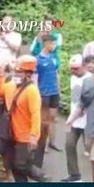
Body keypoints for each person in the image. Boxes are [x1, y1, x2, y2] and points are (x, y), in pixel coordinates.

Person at [0, 54, 50, 182]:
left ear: (28, 74)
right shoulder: (11, 86)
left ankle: (45, 179)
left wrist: (34, 136)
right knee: (14, 166)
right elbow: (0, 92)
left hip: (25, 136)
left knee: (21, 165)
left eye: (19, 72)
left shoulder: (32, 91)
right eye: (15, 71)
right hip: (12, 134)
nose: (16, 74)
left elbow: (36, 114)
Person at [66, 56, 94, 182]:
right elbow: (82, 103)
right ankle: (74, 176)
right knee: (70, 146)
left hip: (90, 124)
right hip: (87, 123)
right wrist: (70, 119)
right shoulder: (89, 82)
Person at [33, 34, 62, 163]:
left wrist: (58, 88)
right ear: (46, 43)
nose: (54, 46)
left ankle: (52, 142)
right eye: (52, 43)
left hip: (54, 92)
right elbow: (35, 78)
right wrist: (36, 92)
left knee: (52, 119)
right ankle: (41, 143)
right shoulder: (37, 60)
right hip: (43, 92)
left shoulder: (53, 58)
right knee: (42, 120)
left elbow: (56, 73)